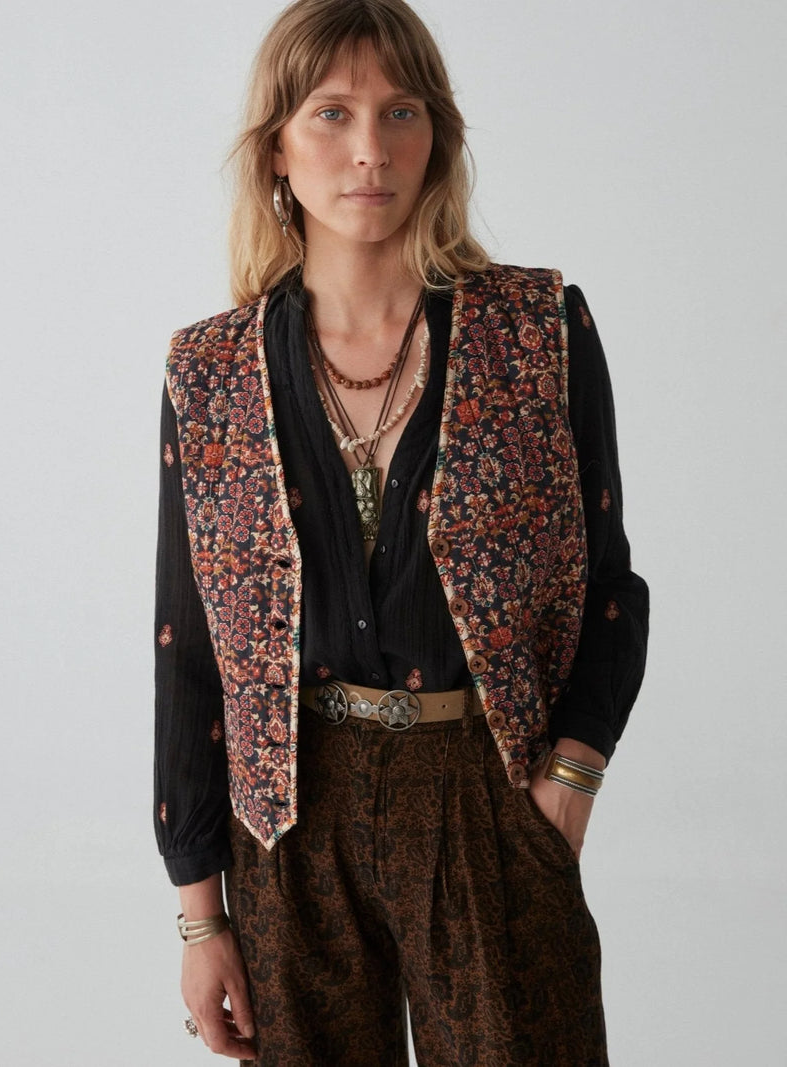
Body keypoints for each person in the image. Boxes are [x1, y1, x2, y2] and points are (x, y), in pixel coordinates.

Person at [154, 0, 650, 1063]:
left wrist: (565, 784)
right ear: (277, 147)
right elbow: (189, 650)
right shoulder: (210, 372)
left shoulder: (539, 331)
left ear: (438, 137)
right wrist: (201, 916)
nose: (370, 149)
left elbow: (610, 586)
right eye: (332, 113)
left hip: (485, 790)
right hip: (288, 815)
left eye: (401, 111)